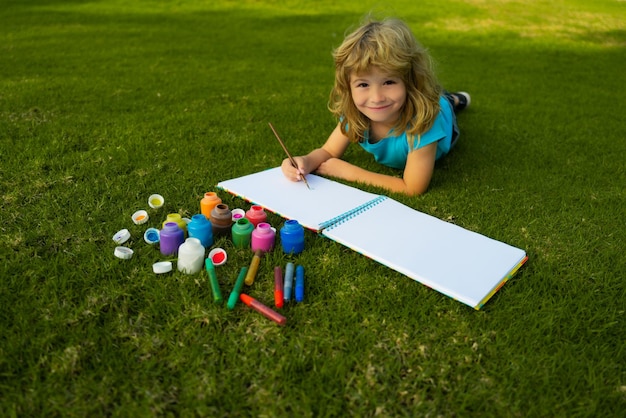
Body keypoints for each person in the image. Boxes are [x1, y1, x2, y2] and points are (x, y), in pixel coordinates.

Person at [281, 17, 470, 196]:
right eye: (363, 85)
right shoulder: (356, 114)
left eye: (388, 82)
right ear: (348, 87)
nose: (377, 98)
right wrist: (304, 161)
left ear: (409, 81)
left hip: (443, 117)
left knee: (442, 102)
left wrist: (349, 172)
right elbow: (329, 151)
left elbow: (412, 187)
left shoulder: (424, 123)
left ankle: (454, 100)